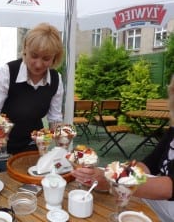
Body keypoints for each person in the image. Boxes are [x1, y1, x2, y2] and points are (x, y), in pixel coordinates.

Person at [71, 76, 174, 222]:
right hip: (158, 202)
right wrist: (114, 173)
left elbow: (169, 188)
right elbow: (148, 164)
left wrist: (112, 181)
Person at [0, 23, 64, 171]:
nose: (38, 64)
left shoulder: (56, 79)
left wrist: (61, 138)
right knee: (8, 181)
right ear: (25, 49)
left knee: (34, 178)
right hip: (5, 143)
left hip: (36, 143)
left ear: (54, 58)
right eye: (34, 56)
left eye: (46, 58)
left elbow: (55, 119)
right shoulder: (9, 71)